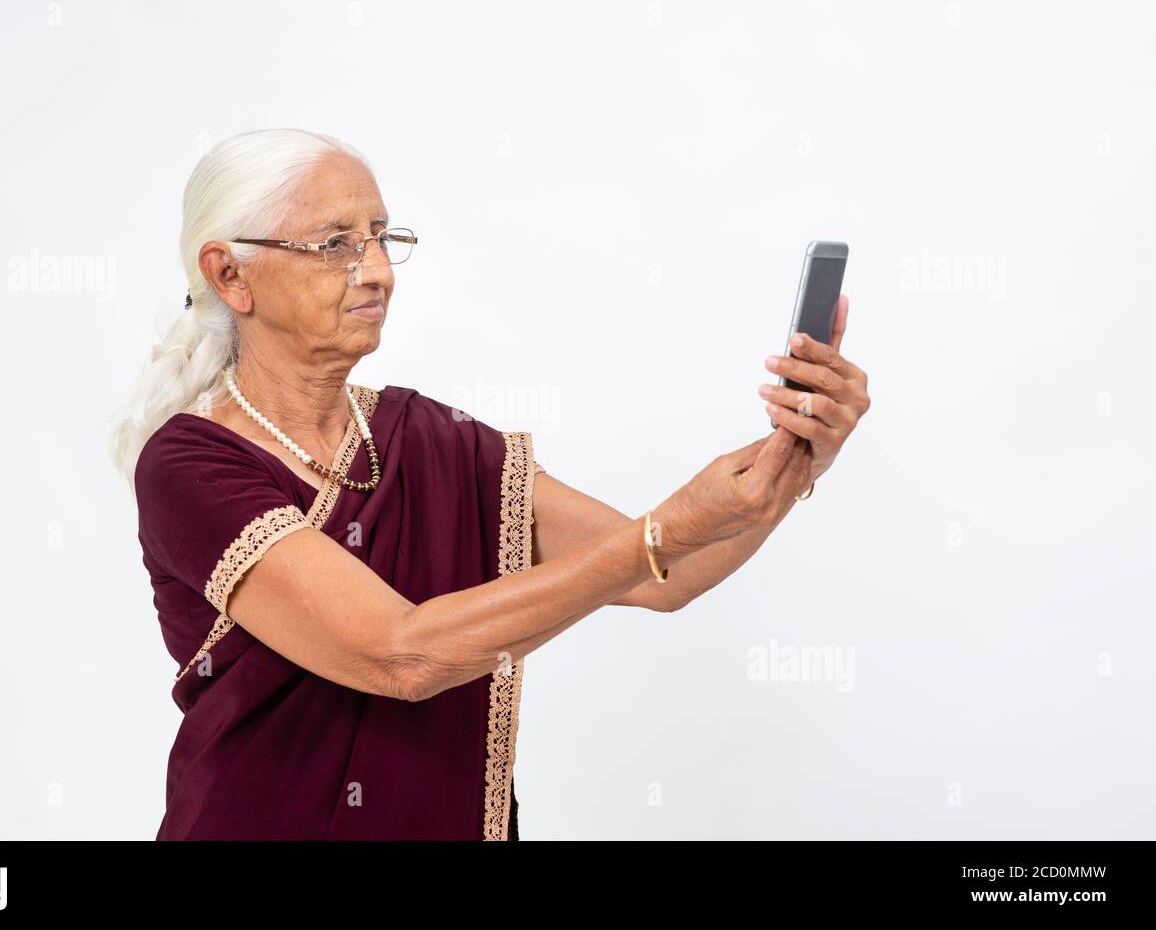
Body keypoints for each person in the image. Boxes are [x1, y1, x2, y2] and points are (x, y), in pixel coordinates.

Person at [108, 128, 872, 840]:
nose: (375, 270)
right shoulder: (189, 466)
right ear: (230, 274)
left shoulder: (433, 441)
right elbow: (399, 657)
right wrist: (661, 532)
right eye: (336, 244)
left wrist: (798, 455)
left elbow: (666, 577)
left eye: (381, 239)